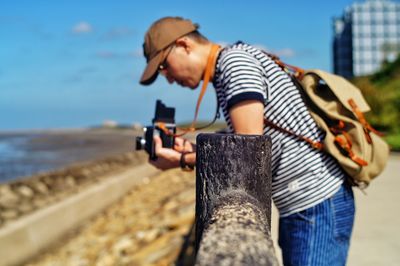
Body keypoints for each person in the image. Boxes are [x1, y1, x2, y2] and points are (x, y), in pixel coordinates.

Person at [139, 16, 355, 266]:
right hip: (306, 203)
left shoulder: (234, 64)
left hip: (315, 200)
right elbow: (248, 140)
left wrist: (183, 160)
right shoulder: (228, 66)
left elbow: (247, 151)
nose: (168, 78)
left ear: (184, 45)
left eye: (164, 66)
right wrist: (196, 150)